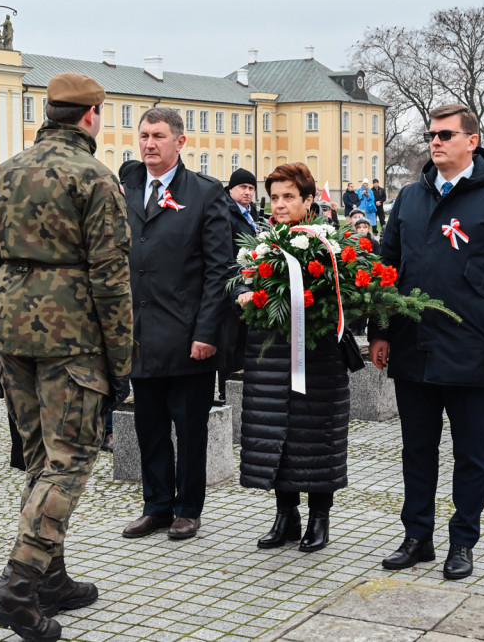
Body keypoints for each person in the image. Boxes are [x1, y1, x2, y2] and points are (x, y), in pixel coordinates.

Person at [0, 72, 132, 642]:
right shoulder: (94, 177)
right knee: (68, 462)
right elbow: (112, 280)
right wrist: (122, 362)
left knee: (42, 460)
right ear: (91, 115)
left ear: (49, 112)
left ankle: (49, 576)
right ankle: (16, 588)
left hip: (14, 333)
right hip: (72, 338)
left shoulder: (4, 171)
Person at [369, 104, 484, 579]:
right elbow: (387, 267)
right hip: (414, 347)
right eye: (431, 134)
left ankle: (463, 540)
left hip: (472, 348)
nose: (435, 142)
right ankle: (417, 536)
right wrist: (380, 329)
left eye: (445, 134)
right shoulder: (410, 197)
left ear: (471, 141)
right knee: (417, 450)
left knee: (470, 452)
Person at [121, 107, 230, 542]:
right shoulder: (126, 189)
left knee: (189, 428)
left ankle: (188, 508)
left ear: (180, 142)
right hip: (141, 335)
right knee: (148, 427)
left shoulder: (204, 193)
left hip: (188, 336)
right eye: (144, 135)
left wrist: (206, 332)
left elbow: (218, 270)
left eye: (159, 136)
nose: (149, 143)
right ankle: (157, 506)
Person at [236, 163, 349, 553]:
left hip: (317, 359)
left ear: (308, 200)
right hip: (269, 358)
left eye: (288, 197)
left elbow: (343, 297)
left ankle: (320, 518)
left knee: (316, 439)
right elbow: (237, 277)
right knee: (275, 436)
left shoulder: (329, 245)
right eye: (275, 197)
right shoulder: (260, 242)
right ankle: (285, 515)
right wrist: (243, 291)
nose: (280, 205)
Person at [218, 167, 257, 402]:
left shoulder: (253, 214)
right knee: (229, 343)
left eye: (251, 188)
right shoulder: (226, 213)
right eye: (243, 187)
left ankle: (242, 388)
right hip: (231, 284)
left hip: (250, 284)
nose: (248, 192)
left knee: (245, 340)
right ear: (231, 189)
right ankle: (226, 390)